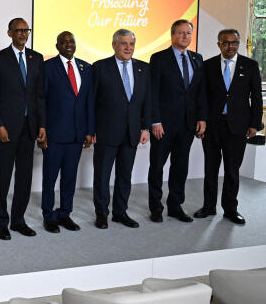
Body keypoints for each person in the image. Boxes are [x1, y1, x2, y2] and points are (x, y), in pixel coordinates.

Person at [195, 29, 263, 224]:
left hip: (238, 126)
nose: (230, 46)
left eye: (234, 42)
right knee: (210, 168)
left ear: (238, 44)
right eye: (226, 42)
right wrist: (200, 121)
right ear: (219, 44)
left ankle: (231, 210)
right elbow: (201, 97)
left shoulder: (250, 65)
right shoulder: (207, 66)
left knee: (232, 170)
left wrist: (254, 124)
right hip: (212, 126)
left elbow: (256, 98)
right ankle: (208, 207)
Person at [0, 18, 45, 240]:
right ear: (9, 33)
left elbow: (39, 96)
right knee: (3, 177)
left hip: (29, 128)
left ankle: (18, 220)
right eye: (19, 31)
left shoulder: (36, 58)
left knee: (24, 177)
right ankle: (1, 222)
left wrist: (42, 125)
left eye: (26, 30)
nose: (23, 34)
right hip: (7, 129)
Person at [148, 19, 207, 223]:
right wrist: (155, 121)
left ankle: (175, 205)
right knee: (157, 166)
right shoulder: (159, 58)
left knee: (180, 166)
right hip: (163, 124)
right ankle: (156, 207)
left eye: (188, 33)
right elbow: (152, 92)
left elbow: (200, 93)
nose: (185, 37)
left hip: (188, 123)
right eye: (181, 33)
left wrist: (202, 118)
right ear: (172, 35)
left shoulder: (197, 58)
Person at [92, 29, 150, 229]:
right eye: (124, 43)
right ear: (114, 45)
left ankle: (120, 212)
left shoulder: (144, 68)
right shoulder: (99, 67)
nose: (128, 48)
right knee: (102, 175)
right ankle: (102, 213)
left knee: (125, 175)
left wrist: (145, 127)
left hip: (132, 132)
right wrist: (92, 130)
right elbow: (91, 102)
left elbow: (147, 102)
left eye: (131, 44)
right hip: (106, 131)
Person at [41, 31, 94, 233]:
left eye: (71, 41)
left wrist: (89, 131)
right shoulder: (48, 67)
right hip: (54, 135)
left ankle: (65, 214)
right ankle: (49, 215)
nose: (68, 45)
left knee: (69, 178)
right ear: (57, 46)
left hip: (77, 135)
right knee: (50, 178)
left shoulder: (85, 68)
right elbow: (42, 102)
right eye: (64, 42)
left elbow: (89, 101)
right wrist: (42, 129)